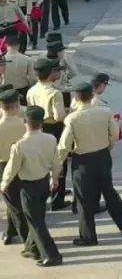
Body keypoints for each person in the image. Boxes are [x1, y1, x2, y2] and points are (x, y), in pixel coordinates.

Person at [55, 81, 122, 245]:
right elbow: (116, 133)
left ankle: (89, 237)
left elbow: (64, 146)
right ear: (92, 96)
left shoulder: (72, 119)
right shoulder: (105, 112)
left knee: (84, 200)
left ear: (76, 97)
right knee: (109, 191)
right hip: (103, 157)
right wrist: (108, 144)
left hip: (82, 161)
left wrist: (57, 166)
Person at [1, 105, 62, 267]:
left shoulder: (20, 145)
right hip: (44, 183)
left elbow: (11, 169)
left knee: (35, 223)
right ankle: (32, 247)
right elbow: (57, 163)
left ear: (25, 122)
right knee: (38, 217)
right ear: (41, 123)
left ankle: (52, 255)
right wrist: (54, 179)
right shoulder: (51, 139)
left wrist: (4, 184)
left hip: (28, 187)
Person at [25, 58, 67, 210]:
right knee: (59, 162)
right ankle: (57, 198)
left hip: (38, 127)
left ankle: (47, 193)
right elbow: (59, 116)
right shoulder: (55, 93)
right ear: (50, 74)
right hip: (54, 128)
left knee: (43, 162)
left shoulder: (31, 91)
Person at [0, 87, 26, 246]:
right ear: (17, 105)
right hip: (23, 166)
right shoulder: (25, 124)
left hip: (3, 166)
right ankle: (27, 237)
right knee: (18, 205)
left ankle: (10, 232)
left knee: (11, 201)